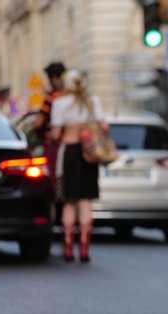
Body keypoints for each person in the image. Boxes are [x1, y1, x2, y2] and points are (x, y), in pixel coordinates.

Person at [49, 70, 107, 263]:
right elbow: (104, 127)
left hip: (70, 153)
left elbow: (56, 134)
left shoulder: (60, 103)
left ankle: (67, 248)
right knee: (86, 201)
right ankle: (84, 249)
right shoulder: (92, 101)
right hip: (89, 153)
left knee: (69, 201)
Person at [34, 62, 67, 193]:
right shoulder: (71, 96)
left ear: (53, 78)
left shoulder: (52, 96)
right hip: (72, 145)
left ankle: (56, 206)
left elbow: (38, 123)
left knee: (54, 178)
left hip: (54, 143)